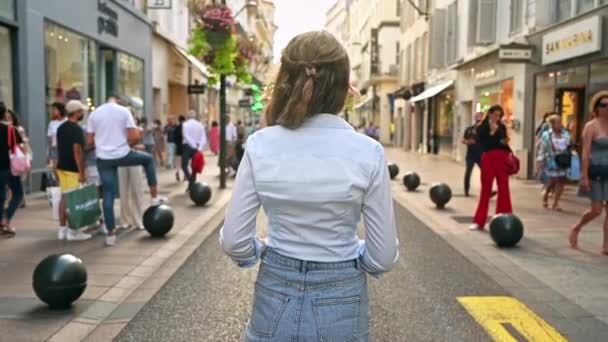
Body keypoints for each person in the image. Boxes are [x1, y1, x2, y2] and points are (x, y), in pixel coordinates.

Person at [220, 31, 399, 341]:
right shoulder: (368, 152)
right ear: (345, 89)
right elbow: (382, 256)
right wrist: (357, 255)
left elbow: (235, 240)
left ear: (285, 84)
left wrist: (257, 250)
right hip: (341, 291)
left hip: (275, 288)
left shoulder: (260, 144)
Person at [86, 95, 167, 246]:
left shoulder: (94, 114)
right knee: (148, 160)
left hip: (104, 158)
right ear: (118, 101)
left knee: (108, 194)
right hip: (123, 155)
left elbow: (89, 141)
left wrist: (102, 143)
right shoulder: (124, 111)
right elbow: (135, 136)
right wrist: (126, 145)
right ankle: (154, 197)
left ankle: (110, 234)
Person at [570, 91, 608, 254]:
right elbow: (585, 153)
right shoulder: (590, 126)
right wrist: (584, 176)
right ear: (597, 107)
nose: (607, 108)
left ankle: (606, 245)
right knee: (596, 210)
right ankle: (577, 227)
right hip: (595, 172)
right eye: (603, 105)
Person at [469, 105, 513, 231]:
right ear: (489, 113)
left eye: (499, 115)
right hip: (488, 158)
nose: (497, 117)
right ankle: (479, 221)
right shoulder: (482, 127)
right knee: (486, 190)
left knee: (504, 187)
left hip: (502, 157)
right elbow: (482, 143)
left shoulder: (502, 126)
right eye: (495, 114)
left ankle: (504, 217)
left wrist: (500, 135)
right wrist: (492, 132)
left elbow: (504, 141)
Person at [56, 100, 92, 241]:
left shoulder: (61, 128)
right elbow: (77, 151)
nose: (82, 113)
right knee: (73, 200)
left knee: (64, 198)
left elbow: (59, 147)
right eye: (81, 111)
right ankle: (73, 231)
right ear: (76, 112)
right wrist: (81, 172)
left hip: (62, 166)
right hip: (72, 168)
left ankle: (62, 229)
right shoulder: (76, 129)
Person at [537, 114, 572, 211]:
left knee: (562, 181)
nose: (560, 124)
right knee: (553, 180)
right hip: (552, 160)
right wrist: (540, 160)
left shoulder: (566, 134)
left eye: (561, 122)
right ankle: (546, 195)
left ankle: (556, 203)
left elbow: (569, 145)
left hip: (563, 160)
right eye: (558, 122)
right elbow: (542, 148)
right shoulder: (546, 135)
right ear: (552, 124)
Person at [0, 102, 25, 237]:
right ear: (4, 114)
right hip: (9, 167)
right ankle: (6, 219)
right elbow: (20, 148)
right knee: (17, 194)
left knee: (0, 196)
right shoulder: (10, 130)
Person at [118, 115, 147, 230]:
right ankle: (125, 219)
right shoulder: (120, 131)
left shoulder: (139, 130)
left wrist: (132, 146)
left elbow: (143, 146)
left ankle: (139, 219)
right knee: (123, 191)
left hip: (135, 160)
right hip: (121, 161)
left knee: (137, 190)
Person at [7, 110, 31, 208]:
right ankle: (15, 200)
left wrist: (25, 157)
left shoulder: (18, 129)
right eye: (6, 118)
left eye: (10, 118)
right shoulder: (5, 128)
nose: (8, 120)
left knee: (19, 180)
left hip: (18, 157)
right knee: (11, 180)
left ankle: (20, 199)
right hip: (10, 156)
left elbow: (23, 144)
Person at [182, 113, 207, 190]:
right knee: (194, 166)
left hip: (187, 146)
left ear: (188, 117)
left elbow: (186, 136)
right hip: (197, 146)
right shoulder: (200, 124)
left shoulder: (185, 124)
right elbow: (204, 137)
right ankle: (191, 183)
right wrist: (199, 148)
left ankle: (191, 181)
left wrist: (192, 145)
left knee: (184, 165)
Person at [462, 112, 483, 197]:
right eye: (477, 117)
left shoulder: (484, 130)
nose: (478, 118)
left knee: (485, 173)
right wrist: (468, 142)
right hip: (470, 155)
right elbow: (463, 140)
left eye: (480, 117)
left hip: (481, 155)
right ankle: (466, 190)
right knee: (468, 172)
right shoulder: (469, 129)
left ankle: (486, 191)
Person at [48, 102, 67, 170]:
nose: (52, 111)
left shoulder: (66, 122)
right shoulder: (52, 123)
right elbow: (50, 139)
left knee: (63, 168)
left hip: (64, 148)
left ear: (60, 110)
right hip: (54, 148)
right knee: (55, 168)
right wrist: (49, 154)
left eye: (54, 109)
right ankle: (58, 180)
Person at [174, 115, 185, 182]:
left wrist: (177, 143)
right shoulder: (186, 127)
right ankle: (185, 175)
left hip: (178, 146)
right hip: (185, 146)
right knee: (185, 162)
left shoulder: (177, 128)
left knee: (178, 161)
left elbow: (174, 137)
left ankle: (177, 171)